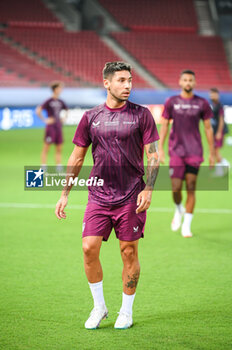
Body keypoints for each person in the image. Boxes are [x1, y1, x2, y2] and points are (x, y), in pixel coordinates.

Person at [55, 62, 160, 329]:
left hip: (131, 195)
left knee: (128, 252)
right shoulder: (91, 117)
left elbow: (154, 154)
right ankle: (99, 307)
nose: (127, 85)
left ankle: (126, 310)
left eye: (130, 80)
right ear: (107, 83)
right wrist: (65, 193)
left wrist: (149, 188)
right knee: (88, 248)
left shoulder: (142, 115)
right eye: (121, 80)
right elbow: (77, 156)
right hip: (98, 195)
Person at [159, 70, 215, 238]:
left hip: (194, 152)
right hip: (176, 151)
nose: (188, 82)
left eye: (191, 80)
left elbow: (207, 128)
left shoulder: (202, 103)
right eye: (185, 80)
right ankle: (178, 209)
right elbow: (164, 126)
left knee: (191, 187)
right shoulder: (172, 102)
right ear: (180, 82)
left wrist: (212, 152)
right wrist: (160, 148)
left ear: (194, 82)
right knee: (176, 188)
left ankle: (187, 226)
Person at [36, 81, 68, 171]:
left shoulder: (61, 101)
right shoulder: (49, 101)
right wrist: (45, 120)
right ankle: (43, 165)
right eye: (59, 88)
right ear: (55, 89)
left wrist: (64, 118)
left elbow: (67, 110)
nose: (61, 90)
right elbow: (38, 110)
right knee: (46, 147)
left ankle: (58, 165)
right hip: (51, 127)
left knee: (59, 148)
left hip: (58, 127)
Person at [209, 87, 229, 176]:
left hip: (219, 132)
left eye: (214, 94)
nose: (212, 96)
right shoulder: (213, 105)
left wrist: (219, 132)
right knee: (214, 150)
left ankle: (223, 166)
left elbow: (221, 120)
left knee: (216, 150)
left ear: (218, 95)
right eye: (211, 94)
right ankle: (224, 165)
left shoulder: (219, 106)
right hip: (214, 131)